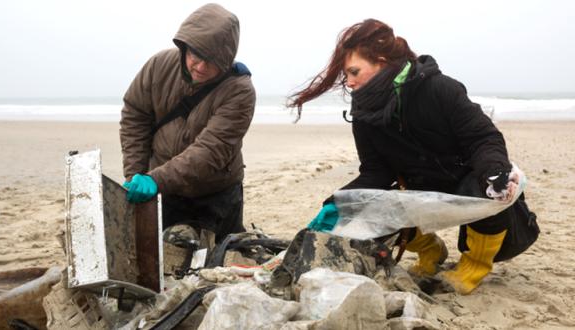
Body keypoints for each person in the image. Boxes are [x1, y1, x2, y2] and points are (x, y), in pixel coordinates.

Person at [288, 19, 537, 294]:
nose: (349, 82)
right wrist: (338, 202)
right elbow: (375, 172)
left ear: (380, 61)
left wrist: (494, 171)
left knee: (486, 186)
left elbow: (483, 138)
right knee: (369, 206)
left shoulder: (440, 88)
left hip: (464, 178)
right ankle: (431, 252)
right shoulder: (363, 113)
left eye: (354, 72)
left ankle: (473, 267)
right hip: (417, 187)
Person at [119, 3, 256, 246]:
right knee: (162, 260)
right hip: (164, 192)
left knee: (222, 261)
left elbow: (211, 150)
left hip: (216, 195)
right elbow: (135, 116)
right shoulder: (159, 65)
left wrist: (155, 180)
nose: (201, 67)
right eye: (196, 55)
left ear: (226, 59)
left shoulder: (240, 90)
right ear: (184, 47)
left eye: (212, 61)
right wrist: (136, 174)